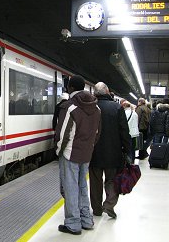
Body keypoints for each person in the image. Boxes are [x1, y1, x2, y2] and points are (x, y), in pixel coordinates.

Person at [55, 75, 101, 235]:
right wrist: (89, 148)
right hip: (86, 153)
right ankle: (86, 220)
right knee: (82, 185)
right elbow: (97, 133)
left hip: (70, 153)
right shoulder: (96, 108)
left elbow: (62, 134)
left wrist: (59, 151)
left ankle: (73, 224)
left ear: (71, 88)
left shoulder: (69, 107)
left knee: (70, 187)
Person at [89, 82, 131, 219]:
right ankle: (109, 204)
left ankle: (96, 209)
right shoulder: (117, 107)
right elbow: (124, 131)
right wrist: (128, 149)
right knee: (111, 180)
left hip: (93, 151)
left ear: (95, 93)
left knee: (95, 181)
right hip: (114, 151)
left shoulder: (90, 107)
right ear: (107, 92)